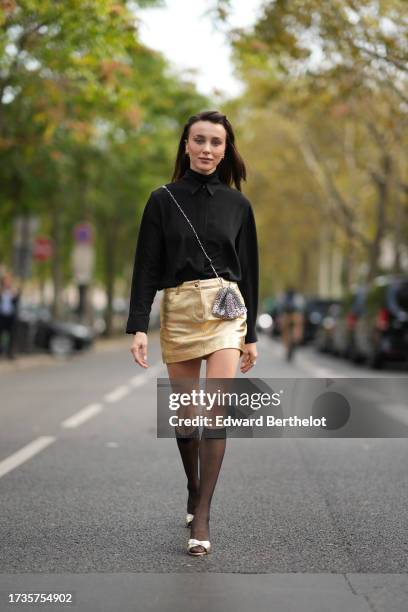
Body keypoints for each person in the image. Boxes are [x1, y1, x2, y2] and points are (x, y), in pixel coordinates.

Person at [126, 110, 259, 556]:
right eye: (199, 140)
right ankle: (193, 486)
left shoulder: (239, 206)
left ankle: (201, 516)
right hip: (179, 310)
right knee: (186, 419)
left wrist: (251, 335)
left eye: (216, 142)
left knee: (214, 413)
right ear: (186, 145)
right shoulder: (162, 199)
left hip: (226, 311)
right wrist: (137, 326)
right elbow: (145, 265)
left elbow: (251, 274)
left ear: (226, 150)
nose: (207, 149)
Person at [279, 286, 305, 360]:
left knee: (285, 330)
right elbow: (301, 308)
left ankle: (294, 339)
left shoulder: (284, 297)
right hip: (293, 315)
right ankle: (296, 338)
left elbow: (280, 307)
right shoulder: (298, 298)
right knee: (296, 327)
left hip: (289, 315)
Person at [0, 272, 20, 360]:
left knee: (12, 335)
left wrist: (15, 294)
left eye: (9, 281)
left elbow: (17, 301)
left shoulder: (13, 290)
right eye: (5, 280)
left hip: (11, 316)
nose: (7, 282)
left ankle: (10, 353)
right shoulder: (1, 290)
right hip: (1, 316)